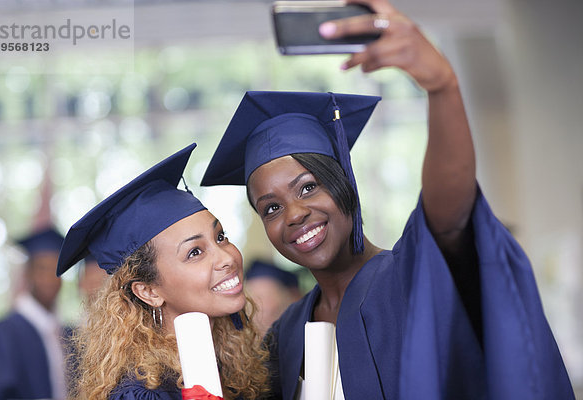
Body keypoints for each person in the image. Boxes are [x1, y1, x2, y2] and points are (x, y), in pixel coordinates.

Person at [200, 0, 575, 399]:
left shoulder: (411, 278)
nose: (294, 213)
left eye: (309, 186)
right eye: (271, 207)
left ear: (343, 180)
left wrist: (442, 87)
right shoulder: (286, 333)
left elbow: (448, 215)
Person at [56, 143, 269, 400]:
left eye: (220, 236)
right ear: (148, 291)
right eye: (195, 252)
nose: (226, 257)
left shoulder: (232, 366)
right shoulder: (142, 393)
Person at [0, 226, 69, 400]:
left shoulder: (67, 334)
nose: (51, 279)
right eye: (43, 269)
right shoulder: (1, 334)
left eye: (57, 271)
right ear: (28, 274)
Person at [244, 260, 302, 336]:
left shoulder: (300, 336)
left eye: (269, 296)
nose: (263, 306)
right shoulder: (238, 341)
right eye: (255, 297)